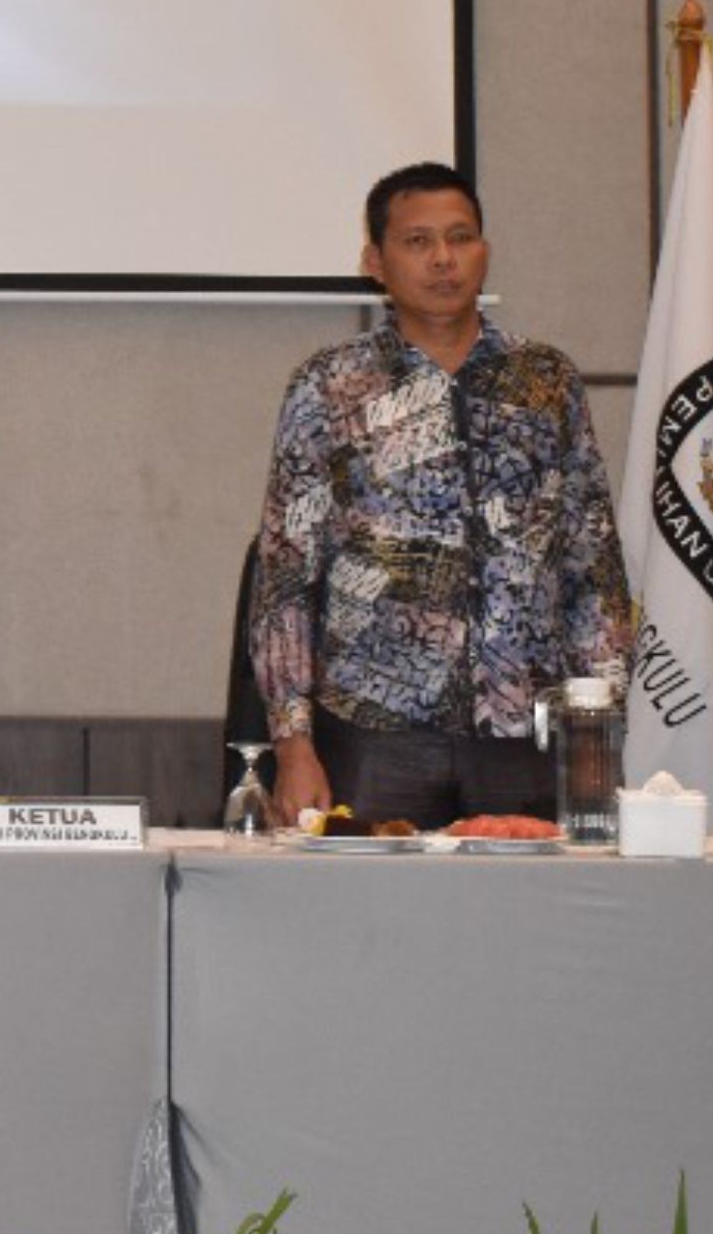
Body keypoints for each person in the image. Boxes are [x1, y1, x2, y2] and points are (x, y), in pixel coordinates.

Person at [247, 163, 636, 829]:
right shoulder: (329, 387)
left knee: (535, 896)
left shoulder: (545, 382)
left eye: (460, 238)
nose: (442, 260)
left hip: (526, 732)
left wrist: (596, 729)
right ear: (374, 262)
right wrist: (292, 743)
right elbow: (286, 575)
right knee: (373, 897)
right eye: (417, 241)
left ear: (484, 251)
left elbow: (592, 563)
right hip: (375, 731)